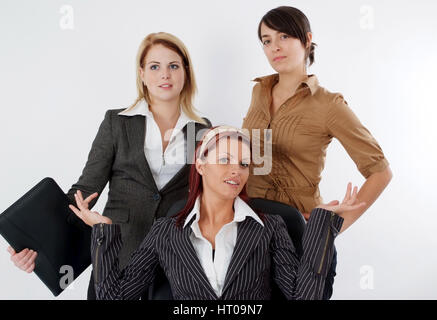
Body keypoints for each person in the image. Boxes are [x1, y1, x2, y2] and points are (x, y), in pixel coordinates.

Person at [7, 32, 212, 299]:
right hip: (117, 255)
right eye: (154, 67)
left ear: (185, 71)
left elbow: (204, 197)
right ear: (141, 73)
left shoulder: (202, 129)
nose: (165, 75)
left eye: (173, 66)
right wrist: (37, 245)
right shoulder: (118, 122)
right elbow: (85, 191)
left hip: (174, 260)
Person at [69, 125, 365, 300]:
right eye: (225, 159)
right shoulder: (165, 231)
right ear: (201, 165)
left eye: (244, 164)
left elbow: (306, 297)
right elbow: (114, 297)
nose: (236, 170)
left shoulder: (271, 227)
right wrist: (104, 230)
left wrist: (322, 225)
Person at [241, 6, 393, 299]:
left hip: (300, 234)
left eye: (283, 36)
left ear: (307, 39)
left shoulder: (329, 105)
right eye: (266, 40)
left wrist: (331, 230)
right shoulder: (258, 92)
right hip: (252, 231)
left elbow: (381, 172)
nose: (274, 47)